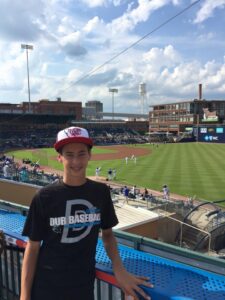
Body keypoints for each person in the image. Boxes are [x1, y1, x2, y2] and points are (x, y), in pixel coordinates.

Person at [20, 126, 152, 300]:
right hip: (47, 285)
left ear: (89, 155)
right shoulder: (44, 196)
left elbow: (108, 235)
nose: (76, 161)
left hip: (83, 285)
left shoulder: (100, 192)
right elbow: (33, 247)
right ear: (60, 158)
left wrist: (119, 269)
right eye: (69, 154)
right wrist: (24, 295)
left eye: (81, 153)